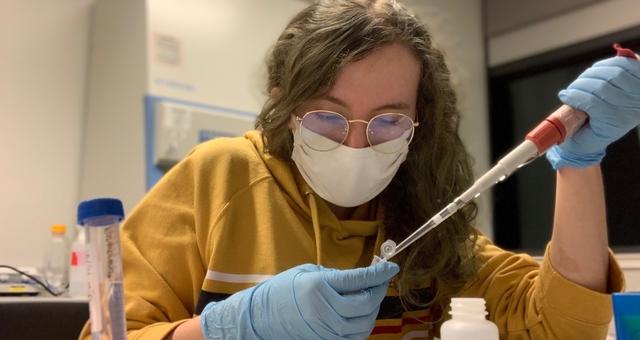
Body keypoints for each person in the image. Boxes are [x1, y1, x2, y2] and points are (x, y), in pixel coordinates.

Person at [79, 1, 640, 339]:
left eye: (388, 121)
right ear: (285, 104)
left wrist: (580, 164)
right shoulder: (219, 177)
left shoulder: (424, 215)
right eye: (328, 117)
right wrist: (230, 328)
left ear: (421, 122)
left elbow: (564, 325)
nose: (354, 144)